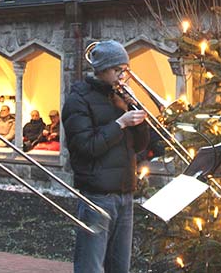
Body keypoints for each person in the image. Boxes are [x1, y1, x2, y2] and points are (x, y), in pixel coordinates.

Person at [63, 40, 149, 273]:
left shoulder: (121, 98)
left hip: (125, 193)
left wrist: (135, 117)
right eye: (117, 70)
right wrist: (119, 123)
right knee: (90, 266)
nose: (123, 76)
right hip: (97, 196)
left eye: (125, 69)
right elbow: (85, 147)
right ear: (102, 69)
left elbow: (140, 146)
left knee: (120, 267)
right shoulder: (78, 100)